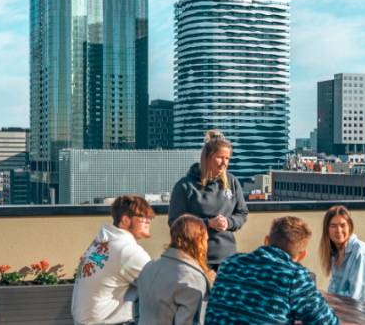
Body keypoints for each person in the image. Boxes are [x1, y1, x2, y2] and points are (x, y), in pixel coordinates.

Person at [203, 216, 338, 325]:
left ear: (266, 241)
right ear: (302, 255)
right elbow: (327, 322)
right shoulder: (293, 276)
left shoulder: (229, 263)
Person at [168, 130, 248, 271]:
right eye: (220, 157)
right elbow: (175, 222)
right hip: (196, 257)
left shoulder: (232, 182)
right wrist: (207, 224)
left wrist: (228, 222)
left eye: (227, 158)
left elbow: (242, 213)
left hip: (227, 258)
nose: (224, 163)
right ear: (207, 157)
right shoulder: (185, 185)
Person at [72, 194, 154, 325]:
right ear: (125, 220)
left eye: (150, 217)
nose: (149, 221)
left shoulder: (100, 242)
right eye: (143, 217)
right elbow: (160, 285)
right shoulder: (127, 250)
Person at [136, 215, 214, 325]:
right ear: (199, 241)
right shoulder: (193, 278)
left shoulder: (149, 267)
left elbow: (136, 311)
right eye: (206, 240)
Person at [319, 204, 365, 304]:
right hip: (343, 312)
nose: (338, 231)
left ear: (350, 227)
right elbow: (334, 289)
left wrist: (328, 298)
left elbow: (358, 297)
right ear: (327, 229)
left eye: (343, 225)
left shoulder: (360, 253)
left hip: (361, 316)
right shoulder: (335, 252)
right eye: (333, 226)